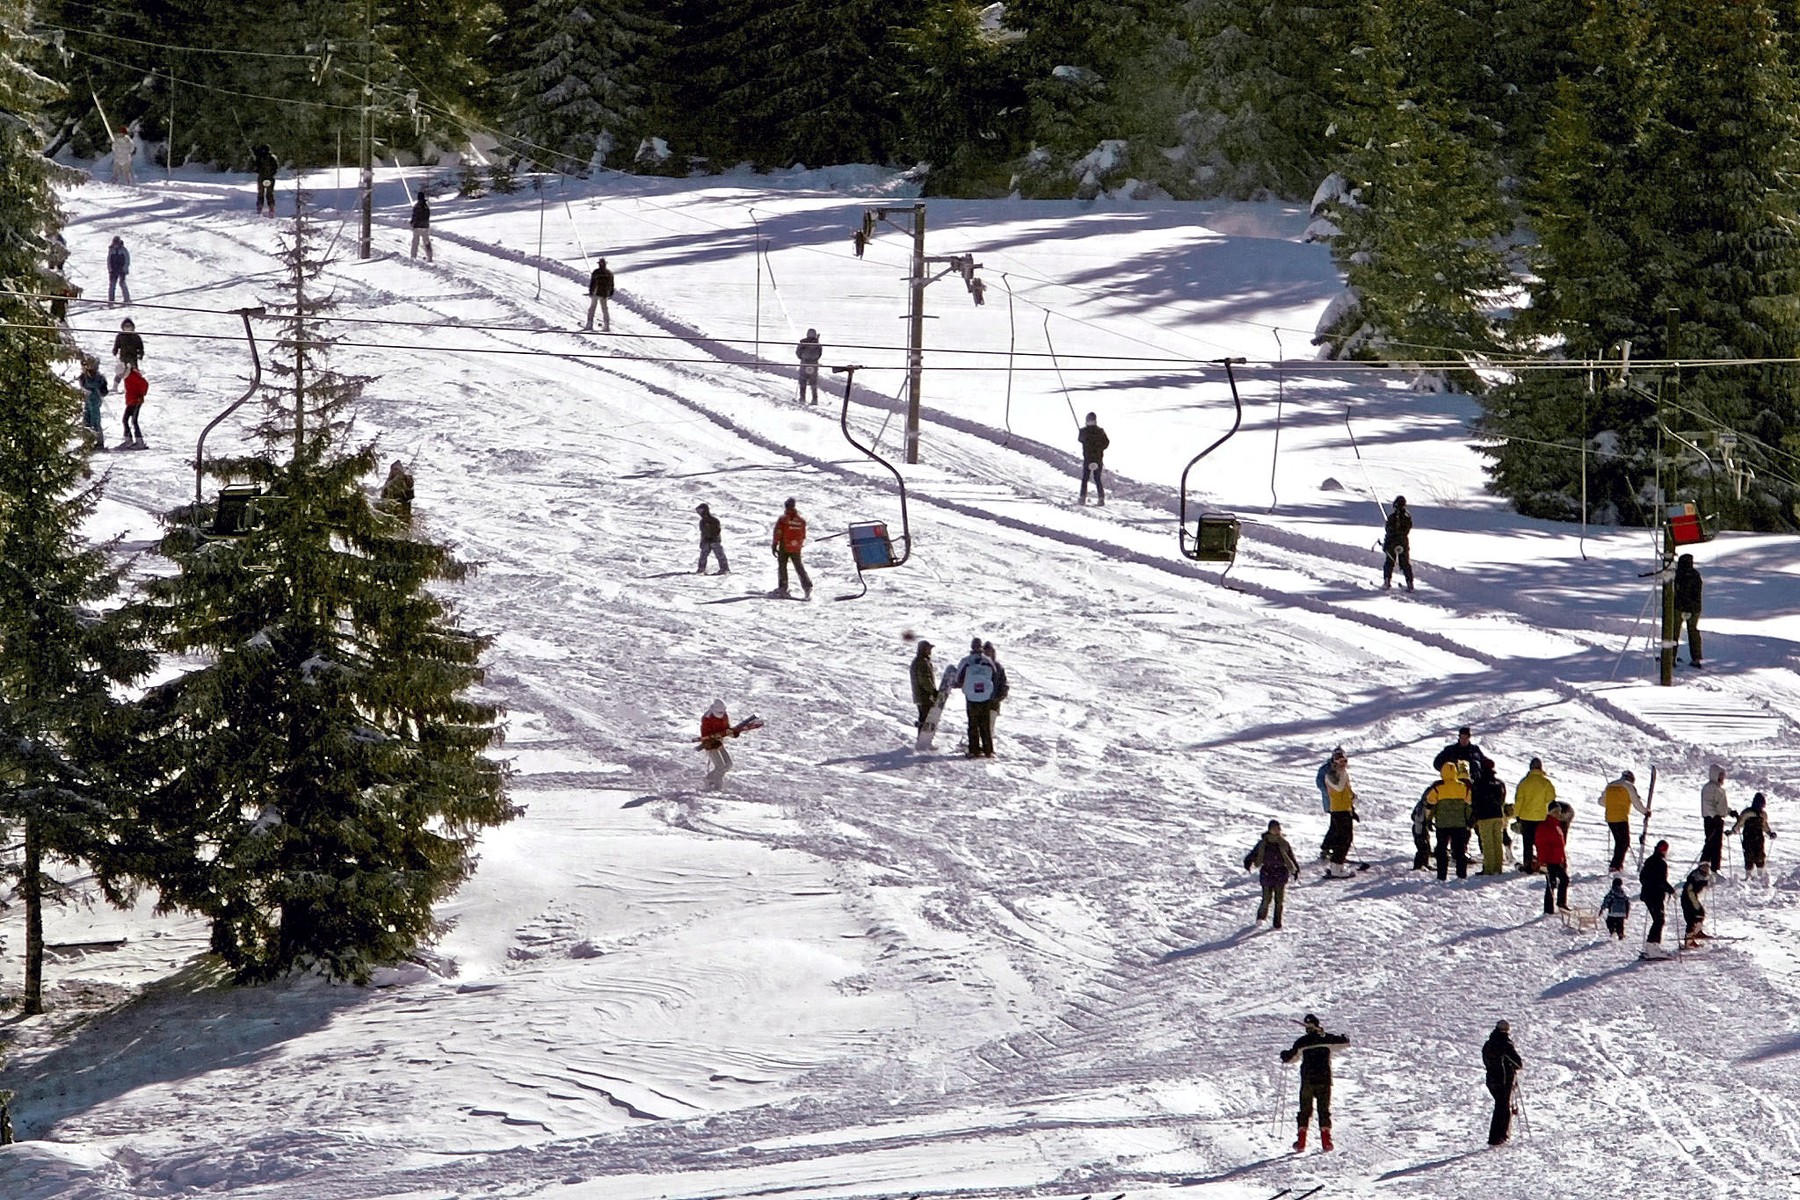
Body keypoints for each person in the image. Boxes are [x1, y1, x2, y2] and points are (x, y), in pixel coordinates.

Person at [1280, 1014, 1349, 1152]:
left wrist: (1284, 1054)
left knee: (1305, 1110)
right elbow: (1345, 1042)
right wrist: (1324, 1034)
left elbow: (1290, 1058)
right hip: (1324, 1079)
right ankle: (1326, 1141)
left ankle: (1301, 1142)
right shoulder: (1326, 1038)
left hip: (1307, 1081)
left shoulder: (1302, 1042)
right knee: (1323, 1110)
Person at [1245, 819, 1300, 929]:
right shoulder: (1263, 843)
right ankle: (1261, 917)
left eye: (1278, 828)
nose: (1276, 831)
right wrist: (1248, 861)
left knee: (1279, 901)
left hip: (1280, 873)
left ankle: (1277, 922)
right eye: (1274, 828)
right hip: (1267, 873)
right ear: (1269, 830)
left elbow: (1290, 857)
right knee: (1266, 898)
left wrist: (1295, 869)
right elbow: (1253, 853)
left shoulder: (1284, 843)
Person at [955, 638, 998, 757]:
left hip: (971, 697)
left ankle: (974, 750)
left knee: (973, 724)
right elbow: (994, 676)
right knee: (985, 724)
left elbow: (958, 679)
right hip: (985, 696)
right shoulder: (988, 661)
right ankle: (988, 750)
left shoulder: (966, 661)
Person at [1428, 762, 1472, 880]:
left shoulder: (1438, 788)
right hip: (1459, 824)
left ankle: (1441, 875)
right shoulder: (1463, 788)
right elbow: (1469, 805)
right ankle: (1461, 874)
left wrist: (1429, 819)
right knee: (1460, 850)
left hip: (1442, 825)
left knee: (1442, 849)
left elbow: (1430, 803)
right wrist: (1469, 820)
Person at [1482, 1021, 1523, 1146]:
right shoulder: (1505, 1044)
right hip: (1504, 1080)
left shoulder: (1488, 1044)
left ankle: (1498, 1137)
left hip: (1491, 1079)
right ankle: (1499, 1137)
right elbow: (1518, 1064)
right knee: (1503, 1107)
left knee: (1500, 1106)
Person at [1600, 769, 1649, 874]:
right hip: (1621, 818)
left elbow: (1601, 801)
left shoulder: (1610, 785)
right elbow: (1636, 803)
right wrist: (1645, 812)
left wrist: (1613, 803)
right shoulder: (1628, 786)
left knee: (1619, 842)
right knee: (1624, 842)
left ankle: (1616, 865)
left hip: (1609, 818)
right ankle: (1615, 866)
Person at [1514, 757, 1554, 873]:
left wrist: (1517, 815)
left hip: (1526, 817)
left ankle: (1528, 865)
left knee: (1527, 843)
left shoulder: (1524, 782)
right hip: (1541, 816)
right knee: (1541, 842)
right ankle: (1542, 864)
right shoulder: (1545, 782)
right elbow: (1551, 797)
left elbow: (1519, 800)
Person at [1322, 749, 1357, 874]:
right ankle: (1337, 868)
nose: (1343, 764)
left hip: (1344, 809)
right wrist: (1343, 774)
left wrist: (1352, 797)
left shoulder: (1341, 773)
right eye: (1340, 761)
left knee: (1345, 838)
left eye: (1345, 761)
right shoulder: (1331, 773)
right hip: (1338, 810)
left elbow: (1345, 790)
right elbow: (1339, 787)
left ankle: (1337, 866)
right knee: (1343, 839)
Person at [1471, 757, 1508, 875]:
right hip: (1498, 815)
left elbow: (1475, 802)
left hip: (1484, 816)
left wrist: (1475, 816)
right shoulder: (1499, 783)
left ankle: (1489, 868)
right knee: (1497, 841)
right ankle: (1498, 867)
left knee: (1487, 843)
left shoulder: (1478, 783)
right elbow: (1502, 800)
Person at [1639, 840, 1676, 954]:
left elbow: (1642, 877)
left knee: (1658, 919)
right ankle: (1652, 945)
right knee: (1659, 920)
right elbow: (1661, 881)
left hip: (1647, 894)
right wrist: (1671, 890)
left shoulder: (1649, 860)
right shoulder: (1661, 863)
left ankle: (1653, 946)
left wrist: (1647, 886)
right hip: (1655, 895)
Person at [770, 497, 811, 598]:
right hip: (796, 547)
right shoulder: (801, 521)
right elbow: (803, 535)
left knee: (782, 566)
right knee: (799, 567)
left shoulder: (783, 519)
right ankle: (807, 586)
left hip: (784, 546)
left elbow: (778, 533)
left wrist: (774, 544)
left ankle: (783, 588)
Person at [1729, 792, 1776, 878]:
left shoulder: (1763, 815)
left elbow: (1765, 826)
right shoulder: (1747, 812)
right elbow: (1740, 823)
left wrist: (1769, 833)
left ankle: (1760, 876)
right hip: (1748, 837)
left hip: (1758, 838)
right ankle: (1749, 875)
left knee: (1760, 855)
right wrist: (1732, 831)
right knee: (1749, 855)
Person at [698, 700, 740, 790]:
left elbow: (726, 729)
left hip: (719, 741)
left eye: (723, 712)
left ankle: (709, 778)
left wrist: (733, 733)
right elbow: (705, 734)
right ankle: (717, 786)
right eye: (719, 712)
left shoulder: (724, 716)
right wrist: (712, 741)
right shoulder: (707, 718)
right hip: (710, 743)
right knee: (720, 766)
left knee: (728, 764)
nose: (722, 714)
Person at [1700, 764, 1733, 872]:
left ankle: (1715, 869)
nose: (1723, 777)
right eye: (1721, 775)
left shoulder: (1718, 789)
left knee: (1717, 845)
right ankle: (1704, 867)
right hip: (1711, 820)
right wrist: (1715, 816)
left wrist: (1729, 811)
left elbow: (1720, 805)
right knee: (1711, 844)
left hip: (1718, 820)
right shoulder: (1709, 788)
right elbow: (1708, 804)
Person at [1673, 553, 1703, 668]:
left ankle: (1670, 657)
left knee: (1674, 631)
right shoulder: (1695, 575)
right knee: (1693, 631)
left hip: (1679, 608)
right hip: (1695, 609)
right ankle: (1696, 658)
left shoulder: (1678, 574)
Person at [1535, 812, 1569, 914]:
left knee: (1564, 880)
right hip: (1549, 861)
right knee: (1551, 884)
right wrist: (1542, 862)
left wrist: (1564, 859)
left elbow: (1561, 845)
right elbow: (1541, 846)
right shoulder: (1544, 826)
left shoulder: (1557, 825)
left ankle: (1561, 903)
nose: (1558, 814)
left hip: (1558, 860)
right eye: (1556, 812)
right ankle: (1548, 909)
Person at [1382, 495, 1413, 591]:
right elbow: (1407, 529)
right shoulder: (1407, 517)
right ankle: (1409, 583)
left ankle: (1387, 582)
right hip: (1403, 543)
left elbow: (1388, 531)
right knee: (1405, 563)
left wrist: (1386, 545)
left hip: (1392, 543)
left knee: (1389, 563)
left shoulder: (1391, 518)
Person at [1078, 412, 1109, 505]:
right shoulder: (1100, 431)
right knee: (1097, 479)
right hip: (1098, 459)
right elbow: (1106, 443)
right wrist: (1099, 449)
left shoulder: (1083, 431)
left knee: (1085, 479)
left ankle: (1082, 498)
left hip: (1088, 458)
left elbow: (1080, 439)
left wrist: (1082, 434)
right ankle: (1101, 498)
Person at [1680, 862, 1712, 948]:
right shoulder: (1696, 876)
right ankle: (1689, 940)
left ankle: (1697, 932)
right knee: (1696, 915)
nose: (1707, 870)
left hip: (1690, 897)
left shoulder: (1700, 875)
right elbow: (1690, 890)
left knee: (1698, 914)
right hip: (1689, 897)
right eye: (1705, 868)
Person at [78, 357, 108, 449]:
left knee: (95, 421)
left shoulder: (100, 378)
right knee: (86, 421)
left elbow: (105, 391)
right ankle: (88, 441)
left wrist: (100, 390)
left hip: (95, 401)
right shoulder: (83, 376)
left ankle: (99, 442)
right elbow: (82, 386)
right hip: (87, 401)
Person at [909, 640, 939, 730]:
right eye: (928, 649)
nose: (930, 651)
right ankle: (922, 741)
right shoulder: (922, 662)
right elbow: (924, 680)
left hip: (921, 696)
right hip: (924, 696)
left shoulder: (921, 661)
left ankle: (922, 740)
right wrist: (933, 691)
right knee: (925, 719)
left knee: (924, 718)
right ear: (923, 650)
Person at [982, 641, 1009, 735]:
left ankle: (986, 747)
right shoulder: (979, 665)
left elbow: (1004, 684)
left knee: (989, 727)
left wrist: (999, 697)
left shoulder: (998, 667)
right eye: (986, 651)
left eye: (990, 651)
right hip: (980, 701)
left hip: (992, 702)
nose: (988, 653)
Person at [695, 502, 728, 574]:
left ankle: (724, 569)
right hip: (706, 541)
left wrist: (712, 537)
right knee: (703, 555)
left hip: (714, 541)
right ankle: (701, 569)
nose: (700, 513)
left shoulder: (714, 520)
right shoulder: (702, 522)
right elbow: (703, 532)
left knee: (720, 555)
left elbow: (717, 530)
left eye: (701, 511)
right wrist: (702, 541)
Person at [584, 258, 615, 331]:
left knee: (592, 308)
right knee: (604, 309)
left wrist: (591, 291)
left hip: (596, 292)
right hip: (604, 294)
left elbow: (592, 283)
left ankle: (589, 324)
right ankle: (607, 325)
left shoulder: (596, 272)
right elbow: (612, 285)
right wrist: (610, 293)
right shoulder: (609, 273)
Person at [112, 317, 143, 386]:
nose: (128, 328)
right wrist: (115, 351)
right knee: (121, 372)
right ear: (123, 327)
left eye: (129, 326)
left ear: (133, 327)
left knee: (133, 372)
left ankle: (132, 386)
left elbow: (140, 347)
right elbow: (117, 345)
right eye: (126, 326)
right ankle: (115, 386)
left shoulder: (136, 336)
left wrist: (140, 354)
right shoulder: (120, 336)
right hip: (124, 357)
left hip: (133, 357)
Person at [120, 366, 147, 446]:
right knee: (125, 420)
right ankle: (128, 439)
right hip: (130, 401)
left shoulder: (133, 376)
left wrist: (141, 395)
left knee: (134, 421)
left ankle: (139, 441)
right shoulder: (127, 377)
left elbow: (144, 384)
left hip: (136, 401)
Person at [1411, 787, 1435, 871]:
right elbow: (1417, 818)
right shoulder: (1423, 806)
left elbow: (1413, 816)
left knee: (1426, 847)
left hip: (1420, 828)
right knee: (1422, 848)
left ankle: (1425, 863)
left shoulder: (1421, 804)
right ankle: (1417, 866)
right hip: (1419, 828)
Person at [795, 328, 822, 404]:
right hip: (814, 365)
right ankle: (814, 399)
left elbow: (798, 353)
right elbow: (820, 354)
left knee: (803, 381)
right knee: (813, 382)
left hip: (804, 363)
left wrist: (803, 358)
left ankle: (802, 398)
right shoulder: (818, 344)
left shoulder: (802, 343)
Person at [252, 144, 279, 215]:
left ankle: (259, 209)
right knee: (270, 194)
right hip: (270, 178)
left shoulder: (259, 158)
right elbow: (276, 168)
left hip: (262, 178)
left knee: (260, 194)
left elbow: (256, 169)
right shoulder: (272, 158)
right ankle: (271, 209)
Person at [107, 235, 131, 306]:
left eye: (117, 243)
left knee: (122, 283)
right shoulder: (111, 250)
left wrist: (125, 268)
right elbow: (109, 260)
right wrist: (110, 269)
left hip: (121, 269)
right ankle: (111, 301)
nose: (116, 245)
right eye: (115, 243)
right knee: (112, 285)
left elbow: (127, 260)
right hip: (113, 270)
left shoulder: (123, 250)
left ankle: (127, 299)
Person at [410, 193, 433, 261]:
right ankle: (430, 256)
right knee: (426, 242)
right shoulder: (426, 206)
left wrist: (412, 223)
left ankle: (413, 256)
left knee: (415, 242)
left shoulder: (417, 206)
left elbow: (414, 216)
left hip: (417, 226)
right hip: (425, 227)